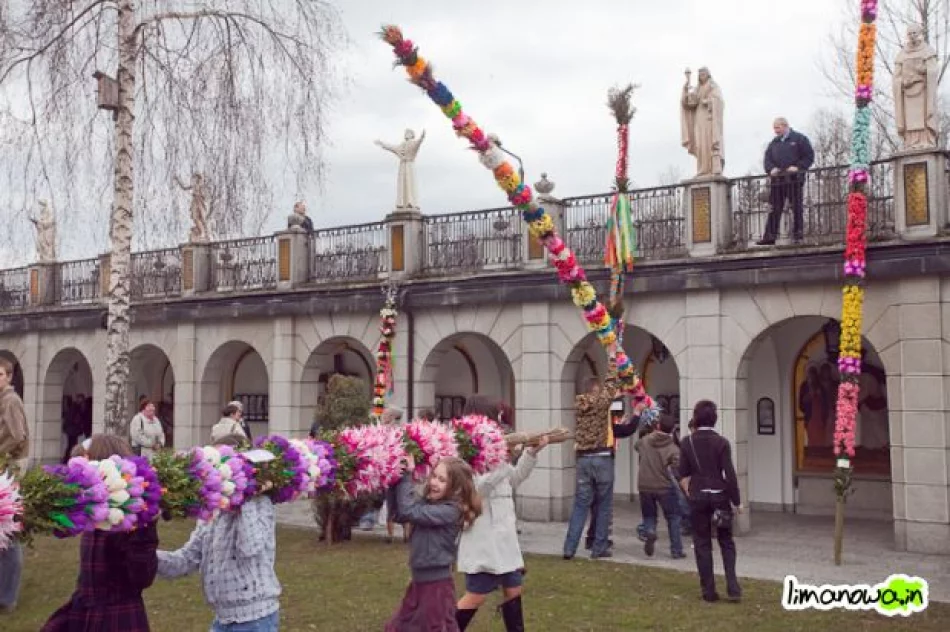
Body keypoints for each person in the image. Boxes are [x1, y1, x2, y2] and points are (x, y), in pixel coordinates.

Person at [156, 434, 281, 631]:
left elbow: (250, 548)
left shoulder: (259, 504)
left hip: (255, 619)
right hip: (222, 620)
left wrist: (244, 496)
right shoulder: (211, 512)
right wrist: (146, 556)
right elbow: (187, 559)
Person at [42, 435, 160, 631]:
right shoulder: (94, 517)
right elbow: (87, 583)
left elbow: (142, 577)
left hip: (119, 620)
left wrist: (145, 533)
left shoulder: (130, 522)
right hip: (87, 614)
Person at [455, 435, 550, 631]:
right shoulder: (470, 462)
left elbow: (515, 478)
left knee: (513, 591)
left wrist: (531, 453)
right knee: (476, 596)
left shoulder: (501, 465)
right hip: (483, 542)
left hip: (506, 542)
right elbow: (481, 488)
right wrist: (504, 461)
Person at [384, 455, 481, 631]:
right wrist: (393, 481)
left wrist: (408, 477)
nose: (434, 482)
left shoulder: (450, 511)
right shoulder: (430, 503)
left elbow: (408, 510)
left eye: (442, 480)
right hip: (419, 583)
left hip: (436, 587)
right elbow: (398, 514)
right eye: (434, 476)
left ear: (456, 487)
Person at [563, 379, 639, 560]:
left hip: (583, 459)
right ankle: (599, 547)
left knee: (580, 505)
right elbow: (624, 430)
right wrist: (637, 414)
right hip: (603, 459)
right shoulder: (603, 410)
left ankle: (569, 549)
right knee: (604, 505)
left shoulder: (581, 408)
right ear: (598, 392)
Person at [677, 400, 742, 603]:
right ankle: (732, 586)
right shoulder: (721, 442)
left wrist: (689, 490)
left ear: (696, 418)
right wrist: (736, 501)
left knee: (702, 542)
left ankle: (709, 591)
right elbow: (729, 474)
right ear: (714, 418)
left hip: (698, 496)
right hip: (719, 495)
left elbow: (683, 472)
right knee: (726, 541)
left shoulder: (687, 442)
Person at [759, 117, 815, 246]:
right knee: (774, 208)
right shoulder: (774, 143)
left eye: (777, 128)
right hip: (777, 181)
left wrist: (798, 167)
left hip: (794, 180)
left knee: (796, 208)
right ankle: (769, 237)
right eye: (774, 128)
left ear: (785, 126)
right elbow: (767, 159)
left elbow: (809, 156)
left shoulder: (800, 139)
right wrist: (771, 169)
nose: (775, 131)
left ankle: (798, 235)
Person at [0, 357, 28, 615]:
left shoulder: (10, 400)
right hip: (5, 466)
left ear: (8, 376)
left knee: (8, 527)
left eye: (0, 374)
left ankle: (7, 597)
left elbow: (18, 435)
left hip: (8, 469)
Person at [636, 414, 685, 559]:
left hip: (644, 484)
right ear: (673, 429)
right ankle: (676, 550)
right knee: (673, 517)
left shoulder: (645, 441)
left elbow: (636, 446)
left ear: (657, 426)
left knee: (649, 515)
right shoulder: (673, 448)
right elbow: (677, 466)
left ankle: (650, 530)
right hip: (663, 486)